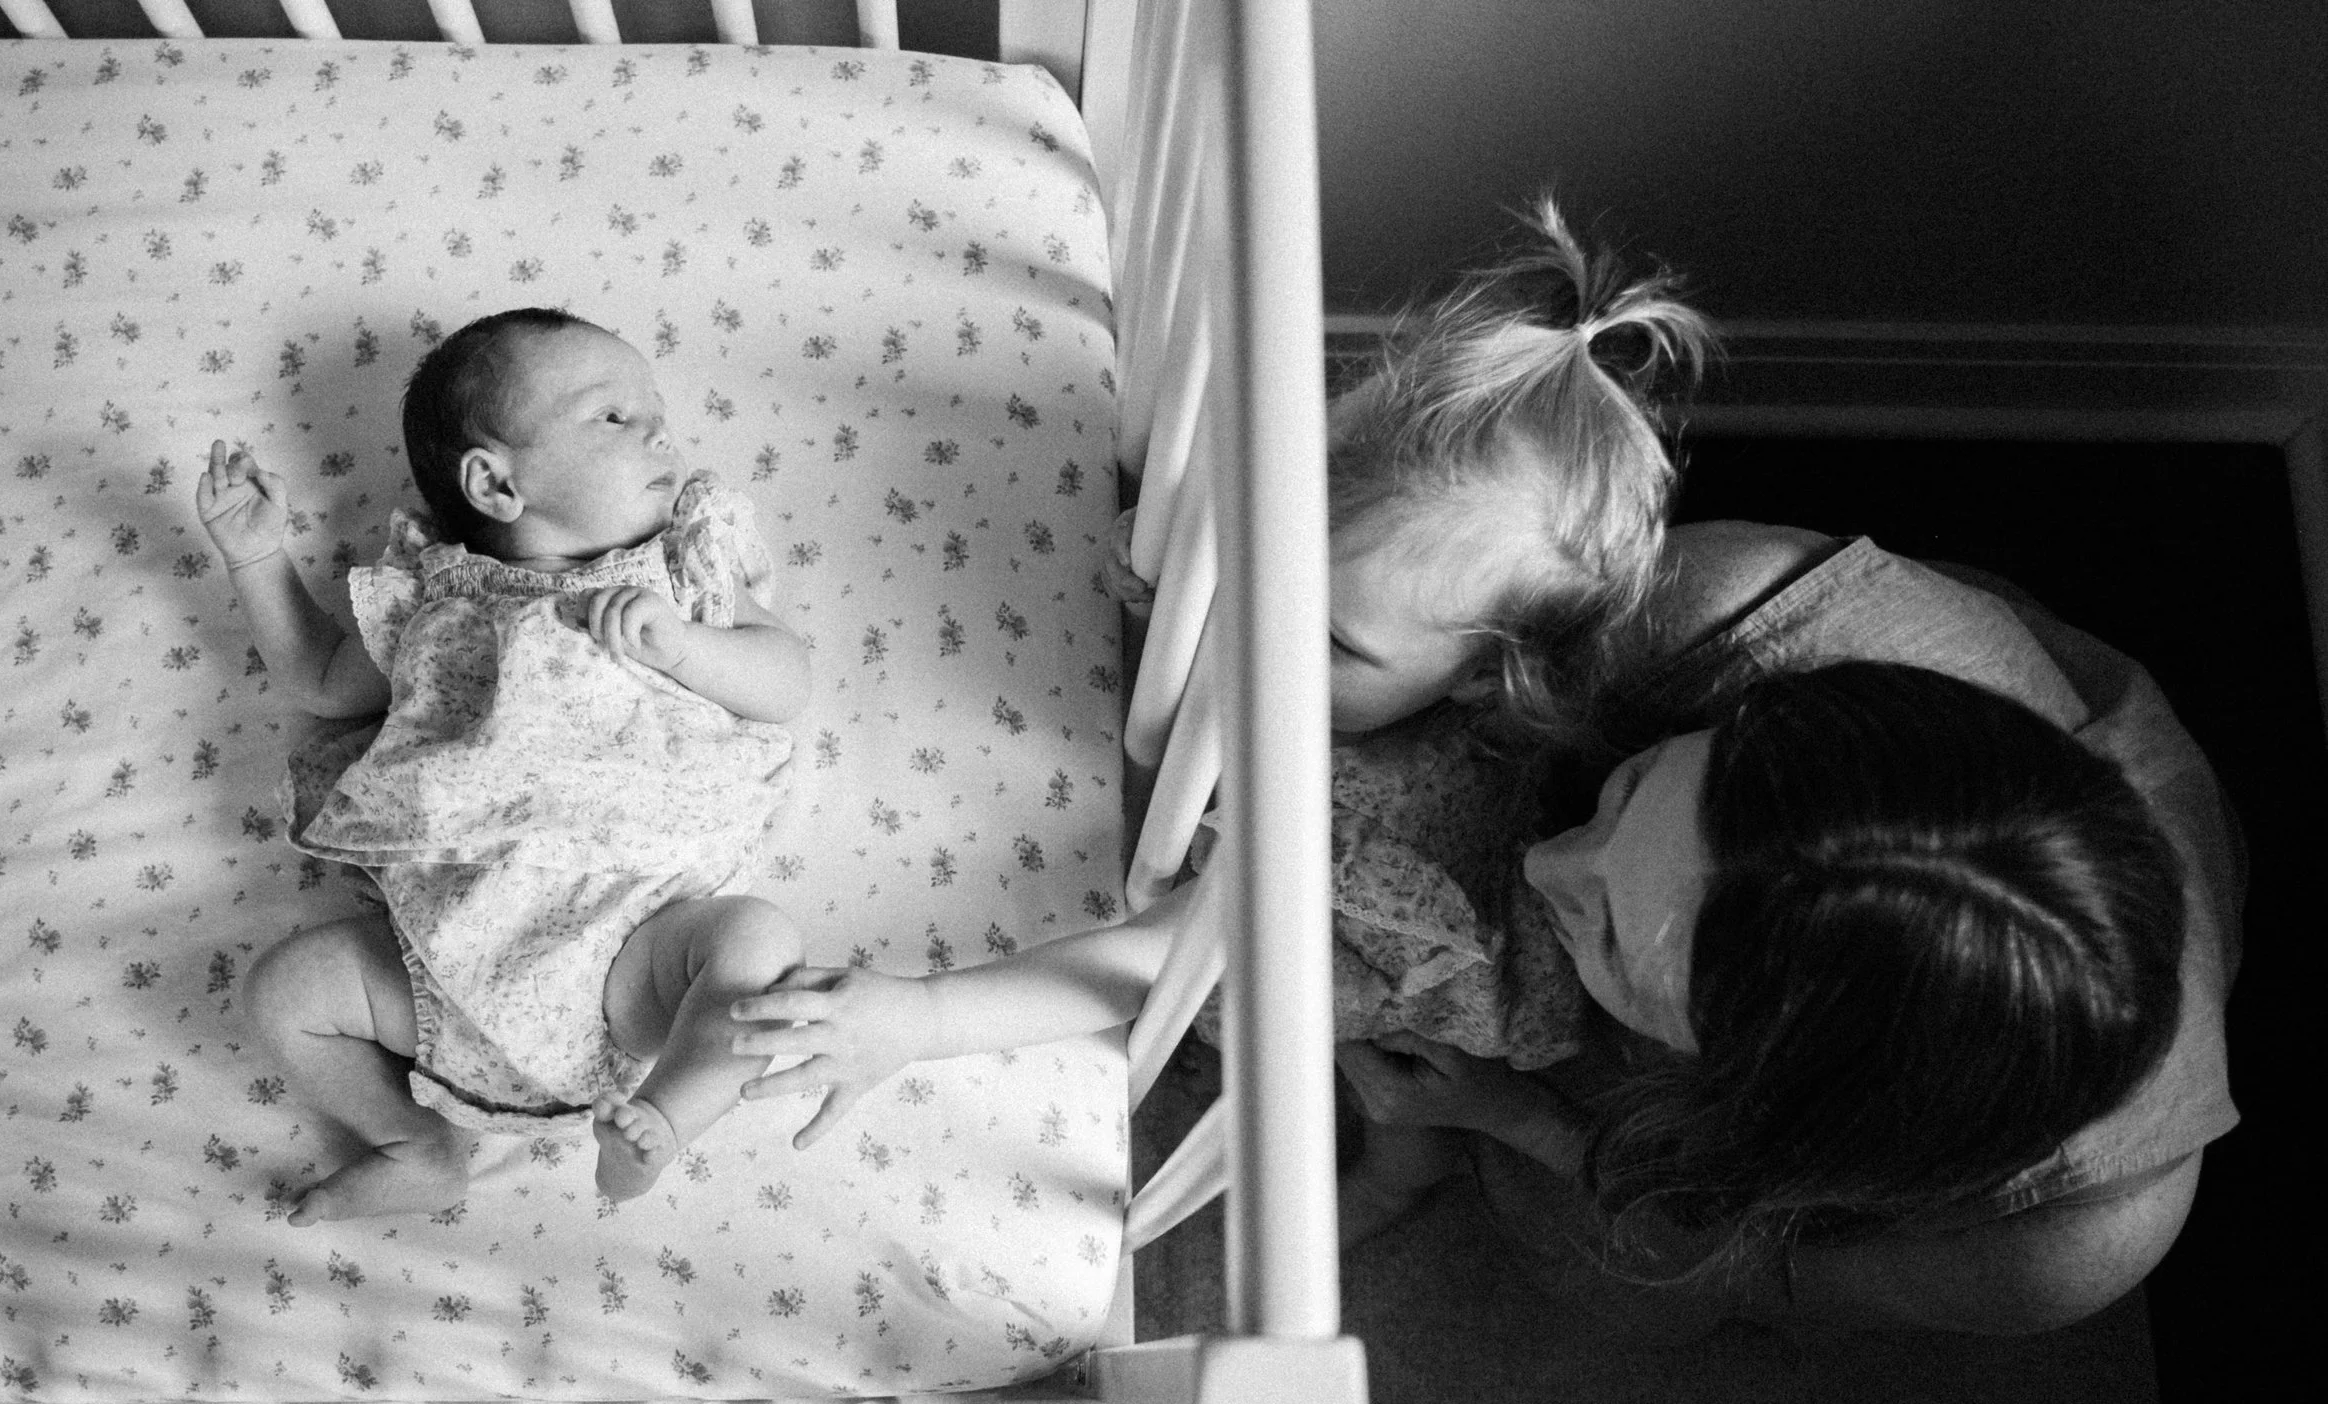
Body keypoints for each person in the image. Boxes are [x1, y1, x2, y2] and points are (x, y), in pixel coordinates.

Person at [713, 201, 1716, 1145]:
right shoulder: (1369, 589)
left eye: (1331, 642)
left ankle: (1400, 1166)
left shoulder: (1361, 852)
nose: (1250, 631)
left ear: (1473, 682)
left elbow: (1147, 957)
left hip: (1425, 954)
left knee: (1247, 1005)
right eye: (1251, 561)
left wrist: (920, 1016)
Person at [1336, 523, 2242, 1340]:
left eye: (1614, 936)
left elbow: (1728, 1274)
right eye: (1635, 786)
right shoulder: (1722, 607)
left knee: (1604, 1276)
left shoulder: (2060, 1242)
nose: (1545, 866)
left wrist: (1511, 1114)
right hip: (1848, 668)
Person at [196, 308, 813, 1223]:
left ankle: (664, 1118)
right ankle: (414, 1142)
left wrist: (685, 648)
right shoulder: (433, 593)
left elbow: (786, 678)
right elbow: (324, 681)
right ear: (494, 482)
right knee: (283, 992)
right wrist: (255, 557)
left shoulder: (681, 569)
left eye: (656, 411)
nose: (657, 431)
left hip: (636, 951)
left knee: (758, 942)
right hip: (448, 959)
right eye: (610, 415)